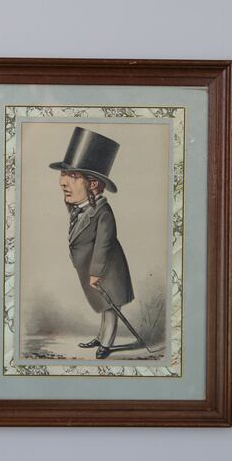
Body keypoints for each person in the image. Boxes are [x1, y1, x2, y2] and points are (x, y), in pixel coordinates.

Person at [49, 127, 134, 360]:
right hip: (93, 268)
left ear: (93, 184)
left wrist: (96, 272)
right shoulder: (80, 209)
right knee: (102, 304)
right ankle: (101, 336)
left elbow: (104, 245)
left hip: (107, 269)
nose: (63, 182)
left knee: (110, 306)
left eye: (73, 176)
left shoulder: (103, 212)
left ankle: (106, 343)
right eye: (64, 174)